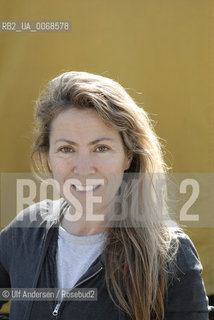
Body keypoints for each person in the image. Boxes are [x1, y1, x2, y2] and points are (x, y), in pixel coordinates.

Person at [0, 71, 209, 320]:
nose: (84, 168)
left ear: (128, 156)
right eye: (66, 149)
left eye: (101, 148)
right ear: (48, 158)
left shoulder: (171, 253)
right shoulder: (25, 230)